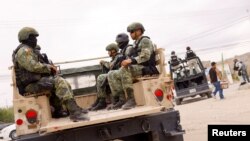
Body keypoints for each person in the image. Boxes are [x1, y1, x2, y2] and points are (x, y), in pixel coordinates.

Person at [12, 27, 89, 121]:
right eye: (33, 37)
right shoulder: (24, 51)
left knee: (62, 82)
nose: (35, 39)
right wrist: (49, 67)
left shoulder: (28, 50)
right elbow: (33, 66)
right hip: (30, 86)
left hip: (35, 82)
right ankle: (75, 113)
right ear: (26, 38)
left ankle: (62, 110)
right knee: (59, 82)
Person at [108, 22, 159, 110]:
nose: (130, 34)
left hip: (147, 68)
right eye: (130, 32)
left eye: (132, 32)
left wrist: (130, 60)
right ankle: (121, 99)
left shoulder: (145, 40)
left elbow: (146, 56)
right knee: (112, 74)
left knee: (124, 69)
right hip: (139, 67)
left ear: (139, 31)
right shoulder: (136, 43)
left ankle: (131, 99)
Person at [89, 43, 125, 110]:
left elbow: (111, 65)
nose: (108, 53)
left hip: (117, 75)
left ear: (113, 51)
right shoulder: (114, 58)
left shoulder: (119, 56)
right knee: (100, 78)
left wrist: (104, 62)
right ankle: (100, 99)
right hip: (113, 74)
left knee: (100, 77)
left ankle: (103, 101)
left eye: (109, 51)